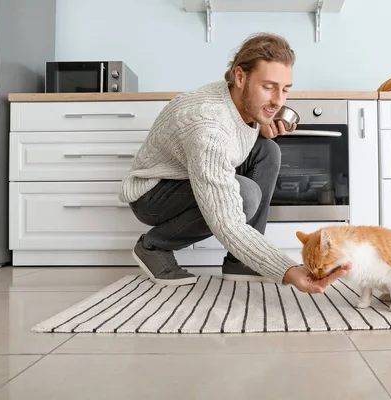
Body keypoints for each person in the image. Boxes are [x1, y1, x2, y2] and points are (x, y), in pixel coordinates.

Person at [119, 32, 350, 294]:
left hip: (187, 174)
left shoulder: (240, 99)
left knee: (268, 150)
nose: (278, 101)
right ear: (240, 77)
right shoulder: (208, 126)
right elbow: (226, 220)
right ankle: (153, 245)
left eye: (284, 89)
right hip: (153, 193)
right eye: (268, 86)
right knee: (245, 195)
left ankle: (240, 261)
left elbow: (237, 131)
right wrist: (287, 270)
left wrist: (260, 126)